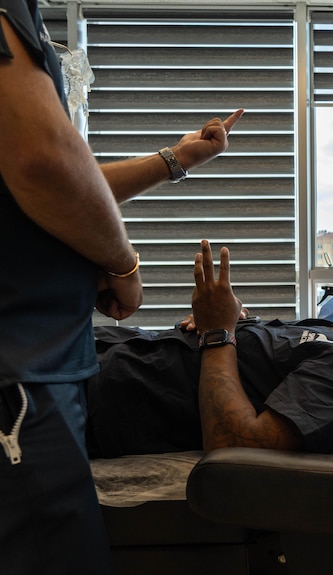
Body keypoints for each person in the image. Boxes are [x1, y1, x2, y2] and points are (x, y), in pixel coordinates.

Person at [0, 3, 242, 573]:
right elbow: (46, 167)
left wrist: (179, 158)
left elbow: (51, 175)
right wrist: (121, 263)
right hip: (19, 369)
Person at [86, 240, 333, 458]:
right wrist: (241, 324)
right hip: (114, 351)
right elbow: (272, 363)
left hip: (101, 395)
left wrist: (219, 334)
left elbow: (236, 447)